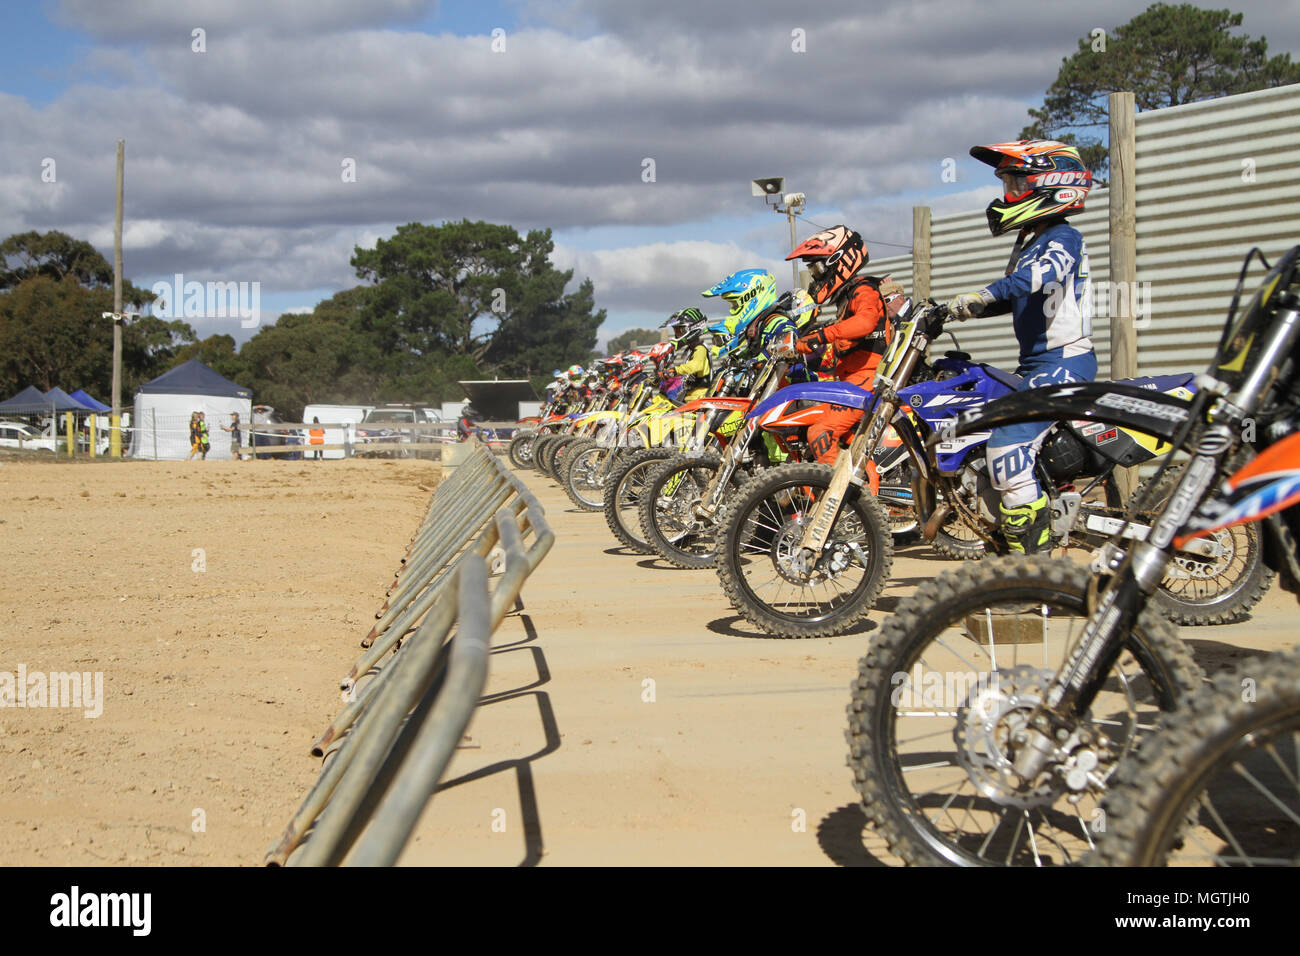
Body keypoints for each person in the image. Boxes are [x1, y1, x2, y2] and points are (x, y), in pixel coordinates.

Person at [946, 139, 1095, 554]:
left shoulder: (1063, 237)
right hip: (1038, 365)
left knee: (1008, 444)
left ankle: (1032, 564)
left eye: (1015, 183)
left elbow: (1035, 279)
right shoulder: (1036, 239)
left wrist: (982, 293)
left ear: (1051, 185)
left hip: (1065, 363)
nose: (1008, 194)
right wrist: (956, 311)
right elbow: (1017, 296)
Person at [786, 226, 892, 471]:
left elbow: (865, 322)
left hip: (867, 379)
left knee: (820, 431)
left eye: (817, 268)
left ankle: (838, 499)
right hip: (849, 381)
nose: (815, 276)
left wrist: (821, 336)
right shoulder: (846, 297)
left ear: (838, 260)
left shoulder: (864, 289)